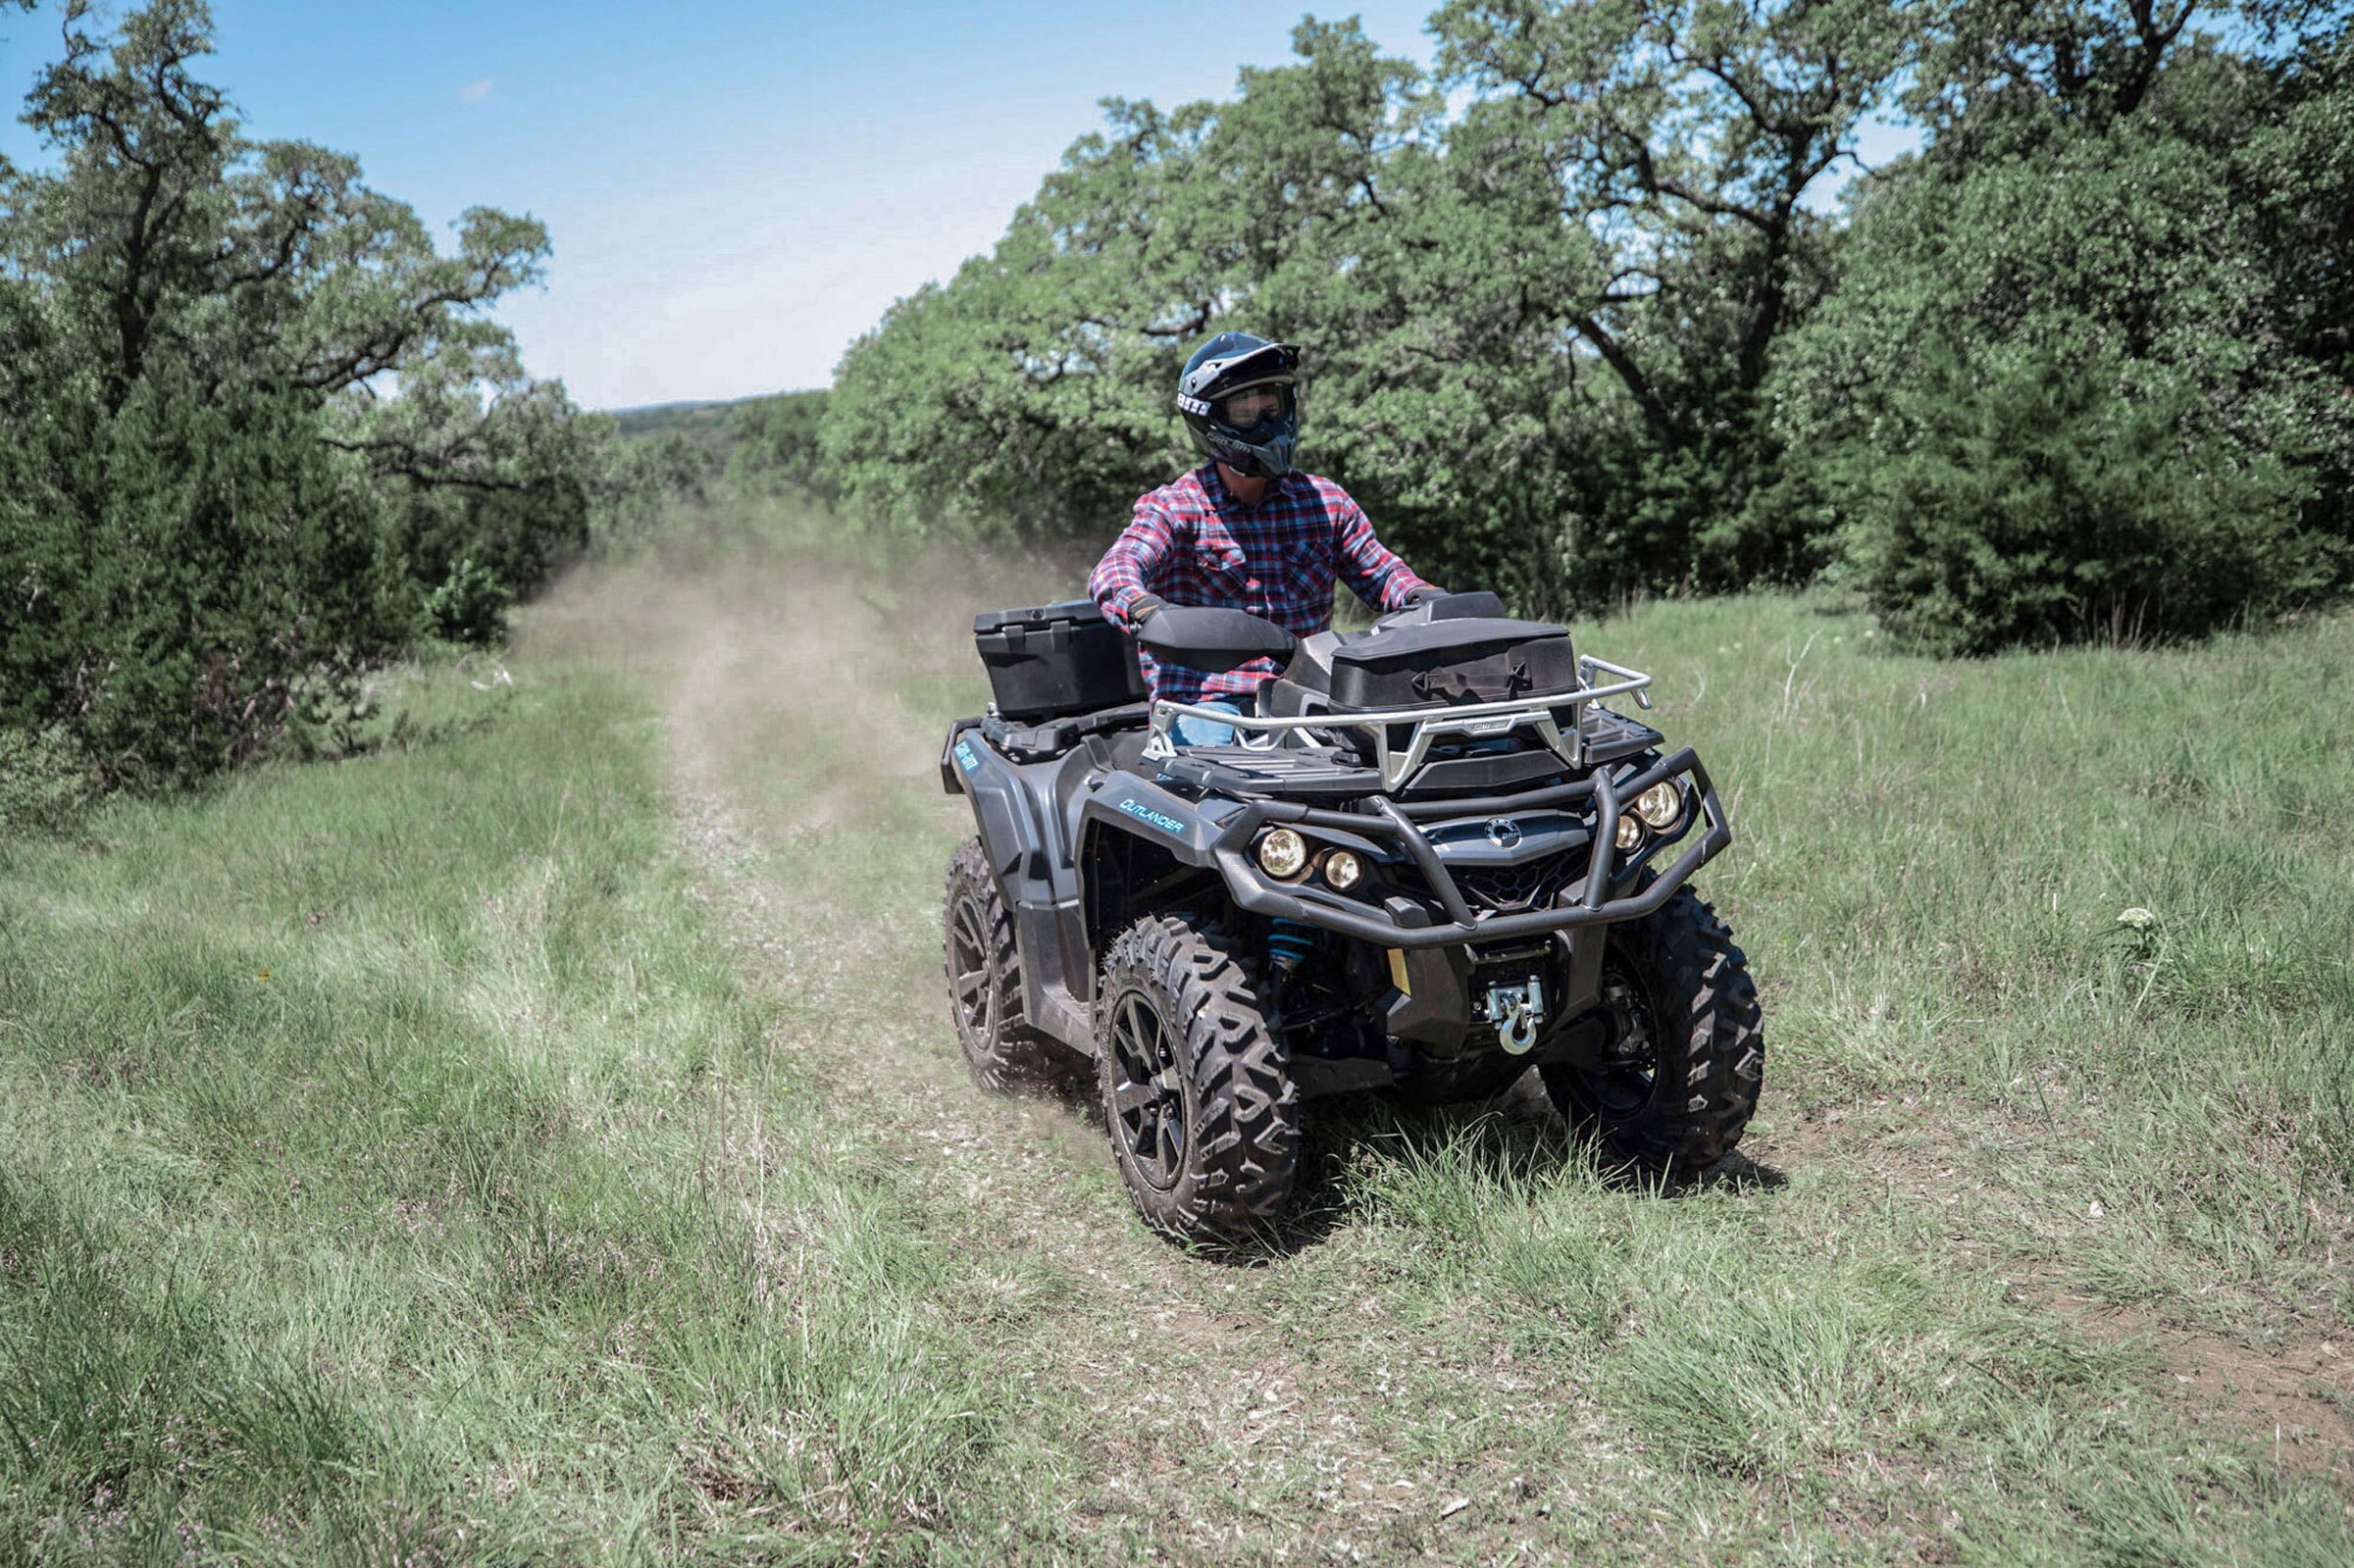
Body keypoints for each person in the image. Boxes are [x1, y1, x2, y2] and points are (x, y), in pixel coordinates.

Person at [1089, 332, 1444, 746]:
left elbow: (1386, 576)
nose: (1266, 423)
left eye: (1272, 407)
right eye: (1246, 412)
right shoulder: (1178, 507)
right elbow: (1115, 569)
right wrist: (1147, 610)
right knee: (1216, 780)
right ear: (1210, 420)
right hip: (1207, 703)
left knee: (1400, 763)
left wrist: (1430, 601)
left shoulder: (1324, 503)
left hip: (1311, 693)